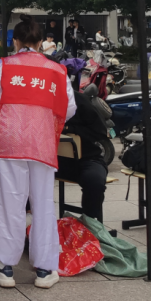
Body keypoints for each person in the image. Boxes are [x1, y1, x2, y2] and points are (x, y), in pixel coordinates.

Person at [0, 15, 76, 290]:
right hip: (43, 143)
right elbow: (69, 108)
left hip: (10, 142)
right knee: (43, 204)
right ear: (40, 42)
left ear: (16, 42)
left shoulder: (3, 66)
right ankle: (45, 269)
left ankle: (5, 267)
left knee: (8, 202)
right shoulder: (57, 70)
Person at [55, 92, 108, 220]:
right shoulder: (36, 98)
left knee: (94, 181)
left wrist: (68, 128)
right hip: (50, 161)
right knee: (23, 177)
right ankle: (28, 221)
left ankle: (89, 222)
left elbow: (100, 131)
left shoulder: (77, 99)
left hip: (85, 159)